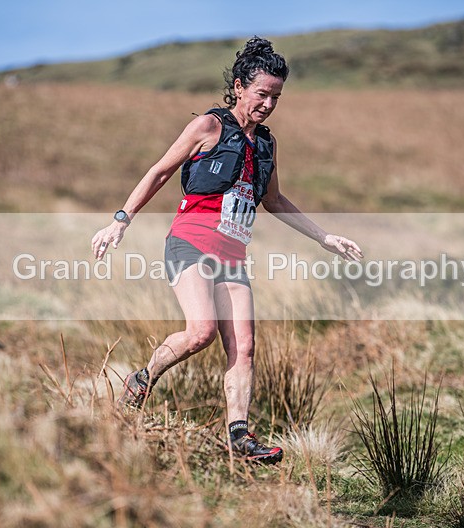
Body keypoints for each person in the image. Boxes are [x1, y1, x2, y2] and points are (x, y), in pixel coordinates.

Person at [91, 37, 363, 464]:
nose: (269, 103)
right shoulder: (208, 127)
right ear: (239, 86)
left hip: (232, 256)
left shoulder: (268, 146)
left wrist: (324, 237)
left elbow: (273, 201)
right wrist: (119, 221)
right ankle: (143, 378)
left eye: (276, 96)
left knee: (245, 347)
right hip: (189, 242)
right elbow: (160, 172)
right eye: (262, 94)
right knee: (201, 332)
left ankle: (239, 437)